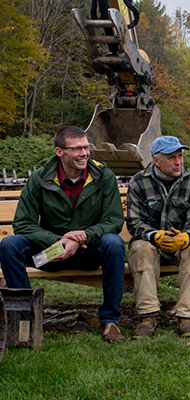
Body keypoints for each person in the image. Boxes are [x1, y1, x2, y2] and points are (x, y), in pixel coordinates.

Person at [0, 126, 126, 343]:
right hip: (50, 254)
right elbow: (23, 223)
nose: (84, 153)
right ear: (60, 152)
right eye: (77, 149)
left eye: (86, 147)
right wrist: (58, 242)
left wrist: (82, 237)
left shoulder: (103, 177)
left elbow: (113, 221)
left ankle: (109, 320)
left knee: (114, 243)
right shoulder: (40, 178)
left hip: (89, 252)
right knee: (10, 245)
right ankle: (26, 319)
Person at [126, 136, 190, 338]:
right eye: (172, 157)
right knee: (141, 249)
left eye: (180, 156)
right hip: (151, 243)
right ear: (156, 160)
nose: (179, 162)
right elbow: (134, 223)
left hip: (182, 244)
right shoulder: (138, 182)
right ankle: (148, 317)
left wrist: (185, 237)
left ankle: (187, 317)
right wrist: (155, 236)